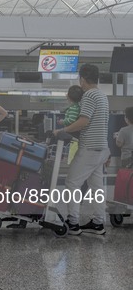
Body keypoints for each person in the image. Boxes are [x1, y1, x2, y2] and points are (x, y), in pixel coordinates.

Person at [54, 64, 109, 235]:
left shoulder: (89, 95)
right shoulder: (102, 95)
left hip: (90, 148)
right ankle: (99, 223)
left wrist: (62, 130)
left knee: (71, 183)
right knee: (96, 186)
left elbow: (84, 120)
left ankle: (73, 223)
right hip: (101, 149)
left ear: (83, 79)